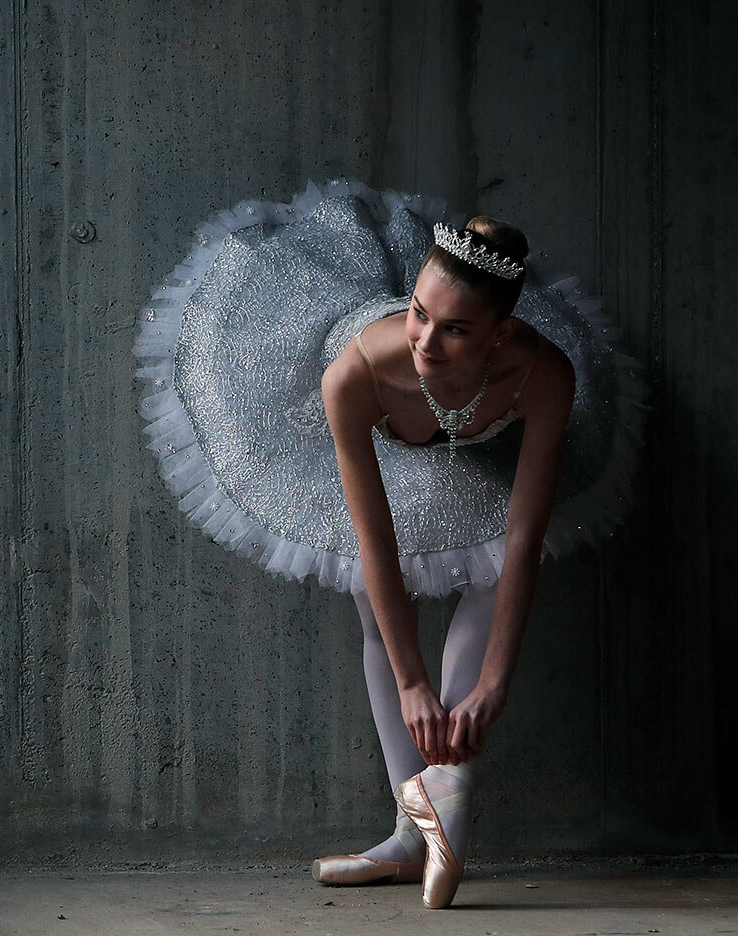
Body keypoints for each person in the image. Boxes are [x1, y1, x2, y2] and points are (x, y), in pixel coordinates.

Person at [132, 181, 644, 910]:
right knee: (378, 608)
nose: (428, 341)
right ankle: (414, 832)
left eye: (456, 330)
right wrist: (412, 683)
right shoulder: (358, 371)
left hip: (485, 448)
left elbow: (525, 534)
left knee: (498, 565)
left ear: (499, 333)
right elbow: (372, 539)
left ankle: (445, 808)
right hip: (384, 434)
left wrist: (496, 682)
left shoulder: (544, 374)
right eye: (419, 313)